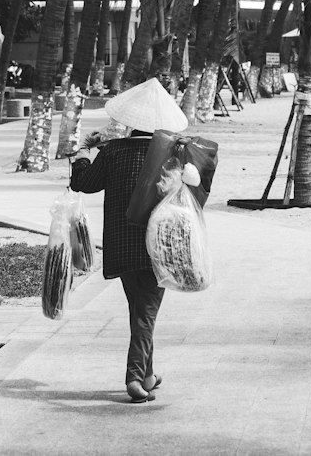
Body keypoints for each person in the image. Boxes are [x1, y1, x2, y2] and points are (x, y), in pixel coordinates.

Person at [71, 77, 189, 404]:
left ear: (130, 122)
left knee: (139, 311)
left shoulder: (113, 152)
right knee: (146, 314)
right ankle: (135, 379)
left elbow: (83, 183)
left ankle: (148, 374)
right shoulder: (170, 157)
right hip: (156, 248)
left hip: (121, 247)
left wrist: (85, 149)